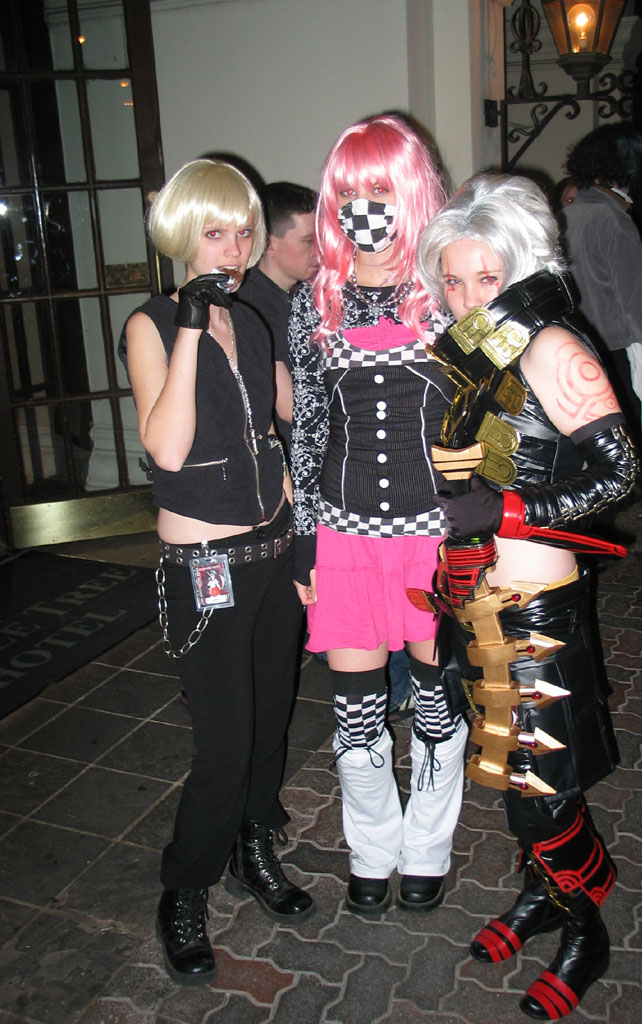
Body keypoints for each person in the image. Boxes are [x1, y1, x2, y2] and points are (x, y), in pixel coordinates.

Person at [417, 173, 642, 1020]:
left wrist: (507, 510)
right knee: (512, 774)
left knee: (544, 784)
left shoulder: (551, 347)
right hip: (477, 598)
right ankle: (542, 896)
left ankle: (586, 927)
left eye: (487, 277)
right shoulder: (478, 357)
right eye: (453, 279)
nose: (467, 297)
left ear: (525, 267)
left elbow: (622, 473)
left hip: (538, 609)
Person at [120, 159, 313, 987]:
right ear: (180, 235)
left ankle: (252, 847)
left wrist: (307, 550)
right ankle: (185, 890)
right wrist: (193, 327)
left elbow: (286, 426)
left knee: (270, 725)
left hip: (274, 554)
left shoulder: (257, 318)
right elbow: (166, 448)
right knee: (225, 743)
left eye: (243, 232)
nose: (232, 250)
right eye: (215, 232)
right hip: (206, 567)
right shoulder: (151, 325)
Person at [289, 114, 467, 915]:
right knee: (357, 717)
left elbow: (488, 415)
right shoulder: (313, 303)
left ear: (413, 192)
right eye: (351, 190)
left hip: (434, 540)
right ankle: (371, 850)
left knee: (435, 703)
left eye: (382, 188)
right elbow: (308, 431)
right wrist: (304, 545)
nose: (366, 206)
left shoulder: (446, 295)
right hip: (346, 537)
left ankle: (426, 848)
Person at [561, 123, 642, 460]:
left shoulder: (565, 216)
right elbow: (639, 305)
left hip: (572, 349)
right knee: (625, 454)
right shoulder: (613, 219)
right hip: (614, 353)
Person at [238, 181, 318, 450]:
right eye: (308, 241)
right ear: (269, 244)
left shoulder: (298, 296)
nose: (319, 250)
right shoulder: (252, 306)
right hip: (287, 456)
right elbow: (290, 407)